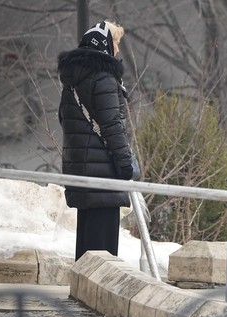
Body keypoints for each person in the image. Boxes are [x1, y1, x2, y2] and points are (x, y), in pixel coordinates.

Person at [57, 20, 135, 261]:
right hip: (104, 175)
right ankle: (94, 299)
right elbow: (112, 126)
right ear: (103, 44)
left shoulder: (72, 80)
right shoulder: (103, 78)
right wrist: (126, 165)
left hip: (81, 169)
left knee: (86, 247)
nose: (118, 50)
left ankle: (81, 293)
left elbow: (63, 119)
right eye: (116, 42)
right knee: (102, 254)